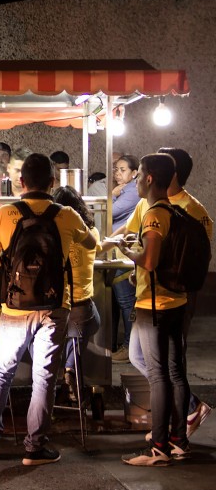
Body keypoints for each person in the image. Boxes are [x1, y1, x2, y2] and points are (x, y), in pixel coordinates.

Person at [0, 153, 96, 465]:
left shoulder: (6, 214)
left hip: (14, 308)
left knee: (1, 372)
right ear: (52, 183)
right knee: (44, 377)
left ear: (20, 182)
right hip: (54, 308)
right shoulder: (65, 215)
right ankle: (35, 447)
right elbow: (91, 244)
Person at [109, 147, 213, 439]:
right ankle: (180, 424)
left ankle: (169, 435)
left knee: (163, 368)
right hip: (155, 291)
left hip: (171, 296)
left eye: (142, 173)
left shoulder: (190, 209)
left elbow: (183, 256)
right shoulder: (151, 205)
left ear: (168, 173)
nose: (138, 179)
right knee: (156, 363)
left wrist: (136, 259)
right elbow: (131, 233)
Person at [115, 154, 190, 466]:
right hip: (176, 301)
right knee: (174, 372)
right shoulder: (173, 208)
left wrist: (126, 251)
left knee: (158, 376)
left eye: (138, 174)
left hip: (154, 304)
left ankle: (158, 448)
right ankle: (178, 440)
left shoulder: (155, 214)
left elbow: (149, 260)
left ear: (148, 178)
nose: (134, 179)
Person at [52, 186, 101, 405]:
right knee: (88, 325)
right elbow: (96, 247)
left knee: (57, 338)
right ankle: (71, 367)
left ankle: (50, 389)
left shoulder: (53, 233)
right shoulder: (91, 232)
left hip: (56, 307)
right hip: (82, 307)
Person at [110, 154, 141, 362]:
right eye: (116, 169)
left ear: (134, 173)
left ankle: (130, 347)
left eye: (122, 170)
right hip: (118, 252)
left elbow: (110, 212)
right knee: (123, 302)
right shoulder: (126, 190)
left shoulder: (131, 192)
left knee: (126, 302)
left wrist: (112, 194)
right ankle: (129, 346)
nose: (118, 173)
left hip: (124, 254)